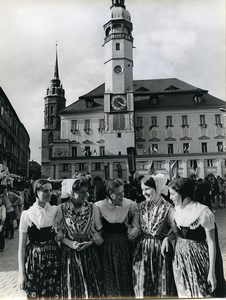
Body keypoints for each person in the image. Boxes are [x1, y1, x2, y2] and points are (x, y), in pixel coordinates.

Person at [168, 177, 218, 298]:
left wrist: (212, 271)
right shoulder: (176, 210)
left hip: (198, 258)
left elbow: (211, 242)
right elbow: (177, 232)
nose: (170, 197)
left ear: (182, 193)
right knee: (184, 292)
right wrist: (168, 238)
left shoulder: (202, 211)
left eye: (173, 194)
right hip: (180, 258)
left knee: (201, 292)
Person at [56, 178, 104, 299]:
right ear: (72, 193)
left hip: (88, 251)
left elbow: (99, 229)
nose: (85, 195)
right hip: (69, 253)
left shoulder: (93, 208)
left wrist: (93, 240)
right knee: (71, 286)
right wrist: (70, 243)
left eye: (86, 191)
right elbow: (58, 234)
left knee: (90, 285)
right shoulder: (61, 209)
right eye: (81, 192)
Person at [94, 179, 140, 297]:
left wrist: (136, 228)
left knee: (125, 276)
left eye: (123, 192)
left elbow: (137, 222)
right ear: (110, 194)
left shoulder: (130, 204)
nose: (122, 196)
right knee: (109, 276)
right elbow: (96, 229)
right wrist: (95, 234)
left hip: (125, 246)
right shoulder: (99, 206)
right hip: (107, 248)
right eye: (119, 194)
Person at [133, 174, 177, 298]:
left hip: (160, 251)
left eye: (147, 189)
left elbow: (176, 231)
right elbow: (135, 226)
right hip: (142, 251)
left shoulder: (168, 208)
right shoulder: (140, 206)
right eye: (142, 190)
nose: (144, 193)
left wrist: (168, 238)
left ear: (157, 188)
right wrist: (135, 229)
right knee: (142, 284)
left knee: (161, 285)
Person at [18, 179, 60, 299]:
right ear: (36, 192)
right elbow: (21, 246)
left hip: (53, 260)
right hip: (34, 262)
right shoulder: (27, 214)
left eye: (51, 190)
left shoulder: (55, 211)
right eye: (45, 190)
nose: (49, 193)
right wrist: (21, 273)